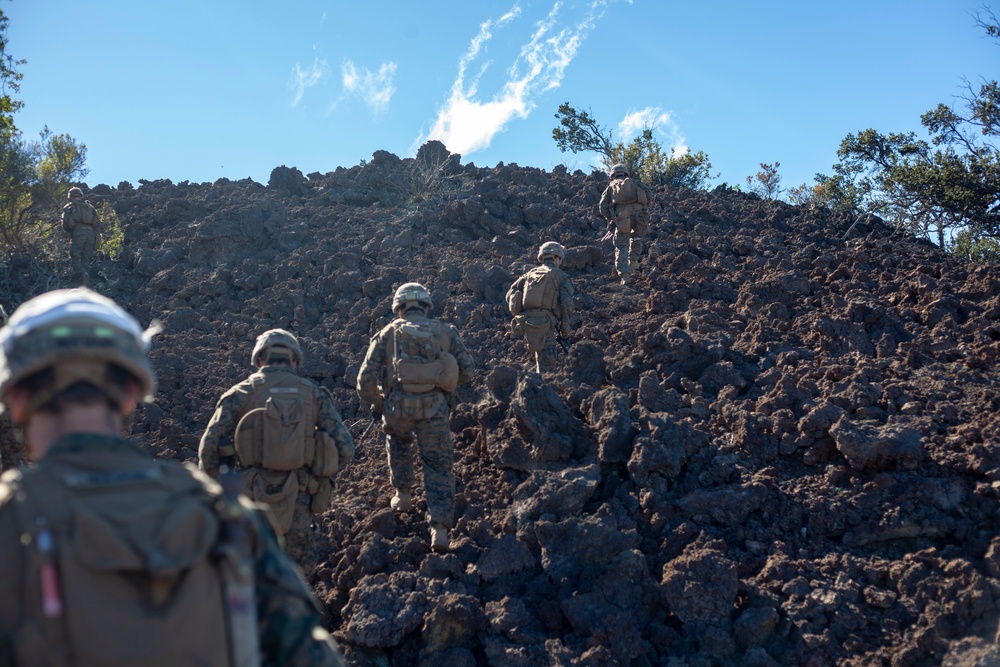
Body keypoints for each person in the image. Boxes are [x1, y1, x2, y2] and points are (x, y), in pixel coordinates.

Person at [0, 288, 346, 666]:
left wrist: (227, 478)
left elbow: (209, 449)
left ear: (14, 398)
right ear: (131, 393)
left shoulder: (10, 522)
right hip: (294, 497)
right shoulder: (226, 522)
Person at [199, 328, 354, 569]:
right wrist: (315, 474)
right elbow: (345, 448)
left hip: (249, 499)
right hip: (299, 499)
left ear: (260, 359)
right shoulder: (313, 394)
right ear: (294, 360)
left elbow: (208, 449)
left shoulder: (239, 393)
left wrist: (222, 490)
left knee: (249, 571)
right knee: (299, 577)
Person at [356, 282, 475, 553]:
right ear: (426, 306)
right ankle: (440, 530)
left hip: (397, 408)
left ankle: (403, 495)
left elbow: (364, 382)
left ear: (399, 308)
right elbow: (468, 371)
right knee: (438, 465)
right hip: (435, 410)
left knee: (398, 441)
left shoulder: (386, 334)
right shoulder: (446, 332)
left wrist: (381, 403)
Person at [506, 241, 575, 374]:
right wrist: (565, 331)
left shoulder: (529, 274)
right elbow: (567, 306)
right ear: (556, 258)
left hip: (526, 323)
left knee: (539, 355)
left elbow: (511, 294)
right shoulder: (561, 276)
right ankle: (543, 386)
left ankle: (536, 380)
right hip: (546, 323)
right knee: (547, 363)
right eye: (559, 258)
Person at [598, 163, 652, 285]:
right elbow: (649, 195)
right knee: (637, 237)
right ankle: (633, 261)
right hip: (640, 215)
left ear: (613, 175)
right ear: (626, 173)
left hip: (623, 217)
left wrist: (611, 218)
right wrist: (644, 209)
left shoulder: (611, 187)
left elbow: (602, 207)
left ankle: (625, 276)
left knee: (621, 245)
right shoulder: (636, 183)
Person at [61, 187, 100, 286]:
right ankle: (85, 284)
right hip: (91, 234)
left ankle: (83, 274)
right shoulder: (90, 207)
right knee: (86, 258)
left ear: (70, 197)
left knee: (75, 256)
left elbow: (66, 224)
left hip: (78, 233)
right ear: (81, 196)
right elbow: (97, 223)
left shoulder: (69, 207)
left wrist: (70, 231)